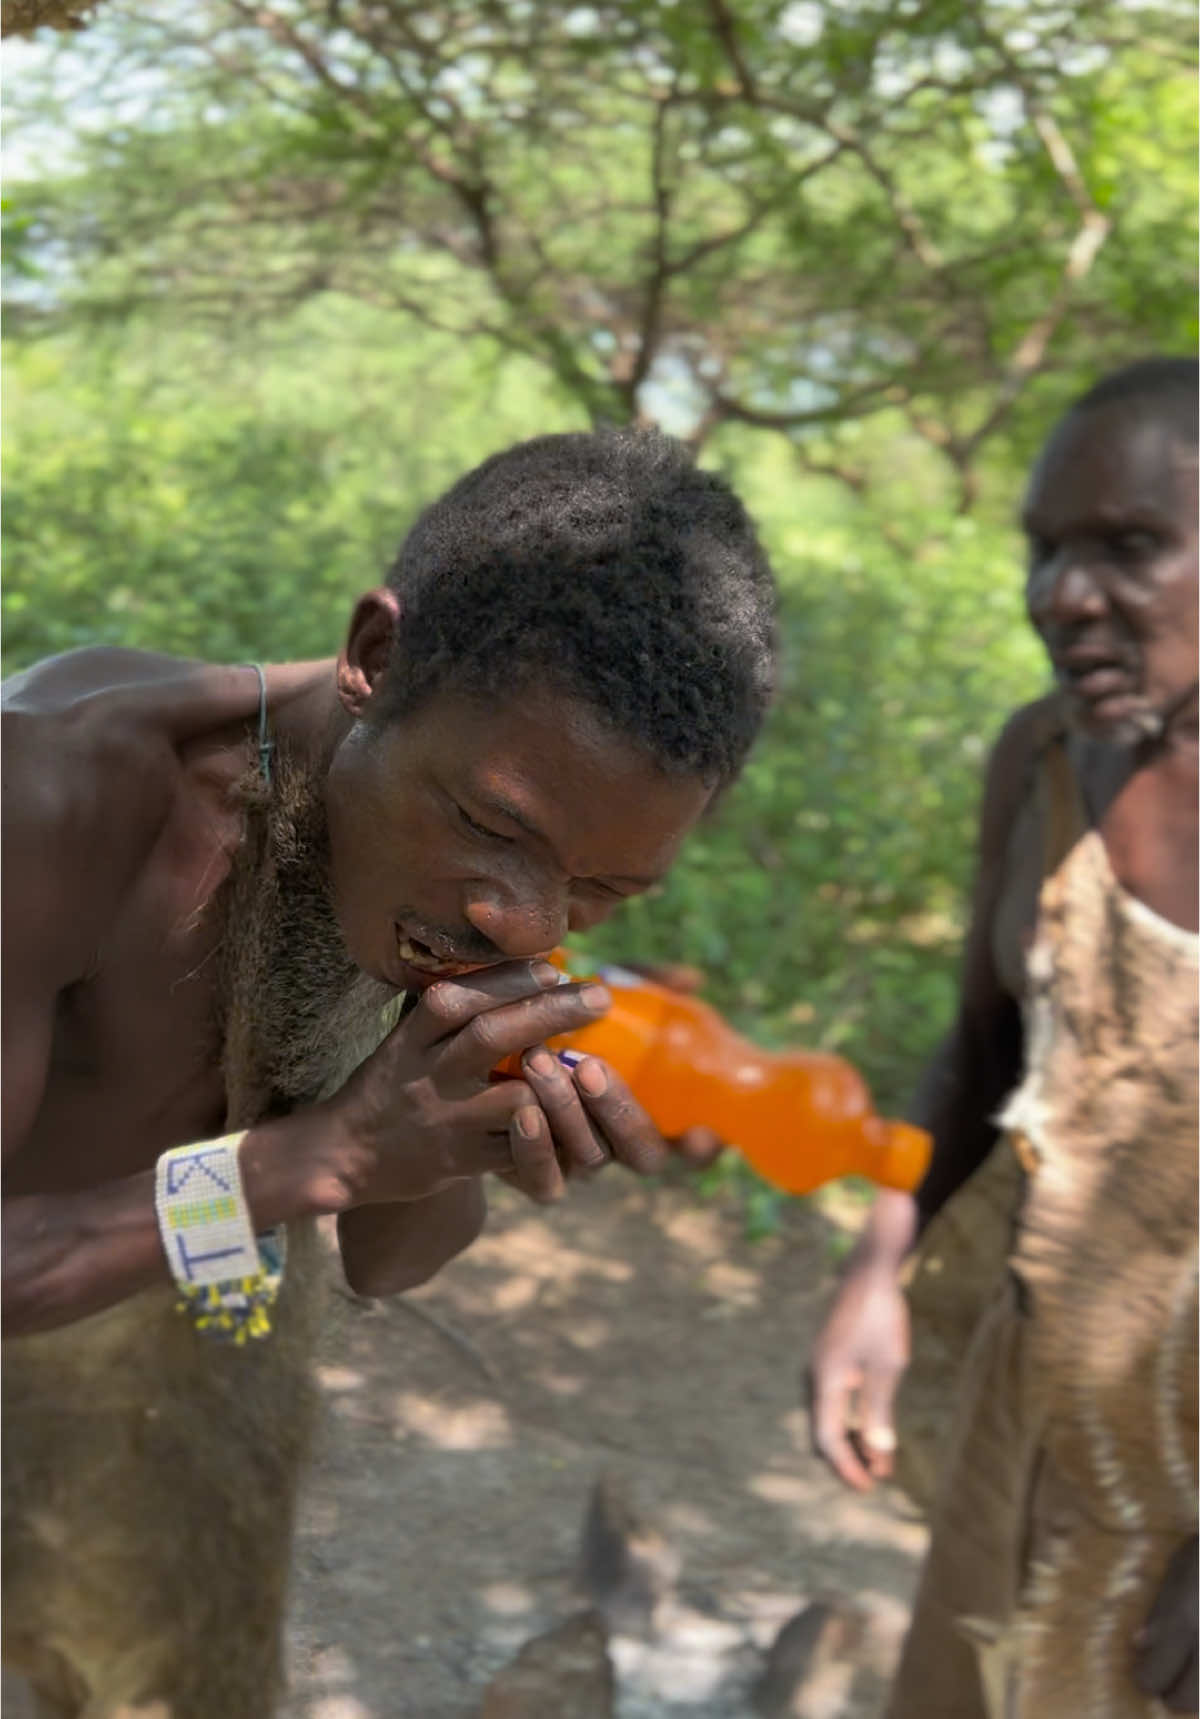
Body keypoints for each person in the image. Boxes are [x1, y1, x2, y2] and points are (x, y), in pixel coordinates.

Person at [1, 428, 777, 1718]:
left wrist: (460, 1126)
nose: (529, 922)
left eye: (601, 887)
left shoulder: (432, 890)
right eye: (493, 827)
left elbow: (386, 1257)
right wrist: (324, 1158)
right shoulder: (58, 801)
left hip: (187, 1358)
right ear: (376, 659)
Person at [807, 357, 1198, 1718]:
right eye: (1043, 553)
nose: (1062, 597)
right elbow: (979, 1054)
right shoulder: (1043, 762)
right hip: (1028, 1402)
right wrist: (879, 1268)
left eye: (1130, 547)